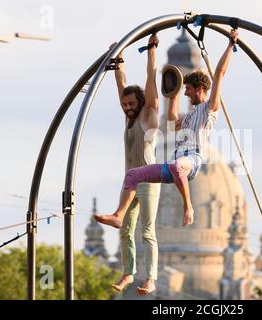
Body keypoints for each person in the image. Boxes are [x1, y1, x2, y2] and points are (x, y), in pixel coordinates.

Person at [94, 29, 238, 232]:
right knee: (133, 175)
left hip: (191, 161)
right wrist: (173, 92)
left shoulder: (209, 109)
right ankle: (118, 216)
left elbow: (219, 73)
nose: (186, 93)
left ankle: (188, 208)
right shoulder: (189, 117)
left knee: (178, 166)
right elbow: (171, 120)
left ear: (200, 89)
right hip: (173, 163)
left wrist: (230, 45)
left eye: (187, 89)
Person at [107, 34, 161, 296]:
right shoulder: (128, 118)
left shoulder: (148, 116)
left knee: (146, 231)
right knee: (124, 228)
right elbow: (122, 84)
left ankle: (150, 278)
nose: (126, 107)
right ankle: (128, 273)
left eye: (130, 103)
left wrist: (151, 51)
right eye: (124, 104)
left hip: (148, 180)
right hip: (129, 181)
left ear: (139, 103)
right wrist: (118, 59)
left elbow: (151, 82)